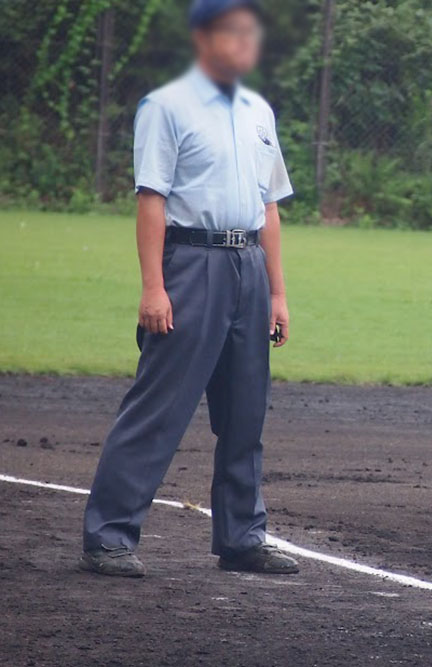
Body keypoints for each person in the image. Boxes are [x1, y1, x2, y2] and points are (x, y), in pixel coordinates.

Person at [80, 0, 298, 577]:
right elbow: (151, 197)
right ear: (204, 36)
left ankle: (242, 536)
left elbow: (269, 207)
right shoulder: (166, 106)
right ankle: (109, 536)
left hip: (248, 263)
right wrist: (153, 287)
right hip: (190, 262)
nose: (247, 41)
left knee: (246, 410)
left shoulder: (258, 110)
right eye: (234, 30)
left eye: (253, 31)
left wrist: (277, 293)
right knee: (159, 405)